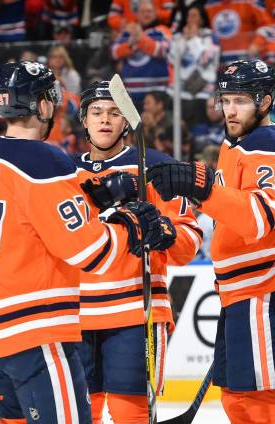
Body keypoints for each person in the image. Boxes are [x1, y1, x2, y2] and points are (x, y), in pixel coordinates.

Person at [0, 61, 171, 424]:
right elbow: (91, 252)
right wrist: (131, 227)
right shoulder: (46, 160)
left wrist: (99, 196)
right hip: (31, 331)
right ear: (42, 105)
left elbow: (31, 215)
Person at [147, 59, 275, 424]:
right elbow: (230, 203)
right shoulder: (239, 141)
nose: (230, 110)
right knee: (239, 395)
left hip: (267, 283)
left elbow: (259, 218)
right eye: (226, 100)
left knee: (263, 398)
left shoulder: (270, 143)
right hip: (246, 285)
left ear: (266, 100)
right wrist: (198, 189)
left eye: (241, 100)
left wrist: (202, 186)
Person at [72, 81, 202, 424]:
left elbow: (189, 240)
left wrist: (163, 232)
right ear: (83, 120)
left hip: (135, 313)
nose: (104, 120)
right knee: (78, 414)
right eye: (96, 113)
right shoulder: (63, 174)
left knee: (132, 414)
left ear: (127, 121)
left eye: (114, 113)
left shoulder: (155, 167)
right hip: (73, 316)